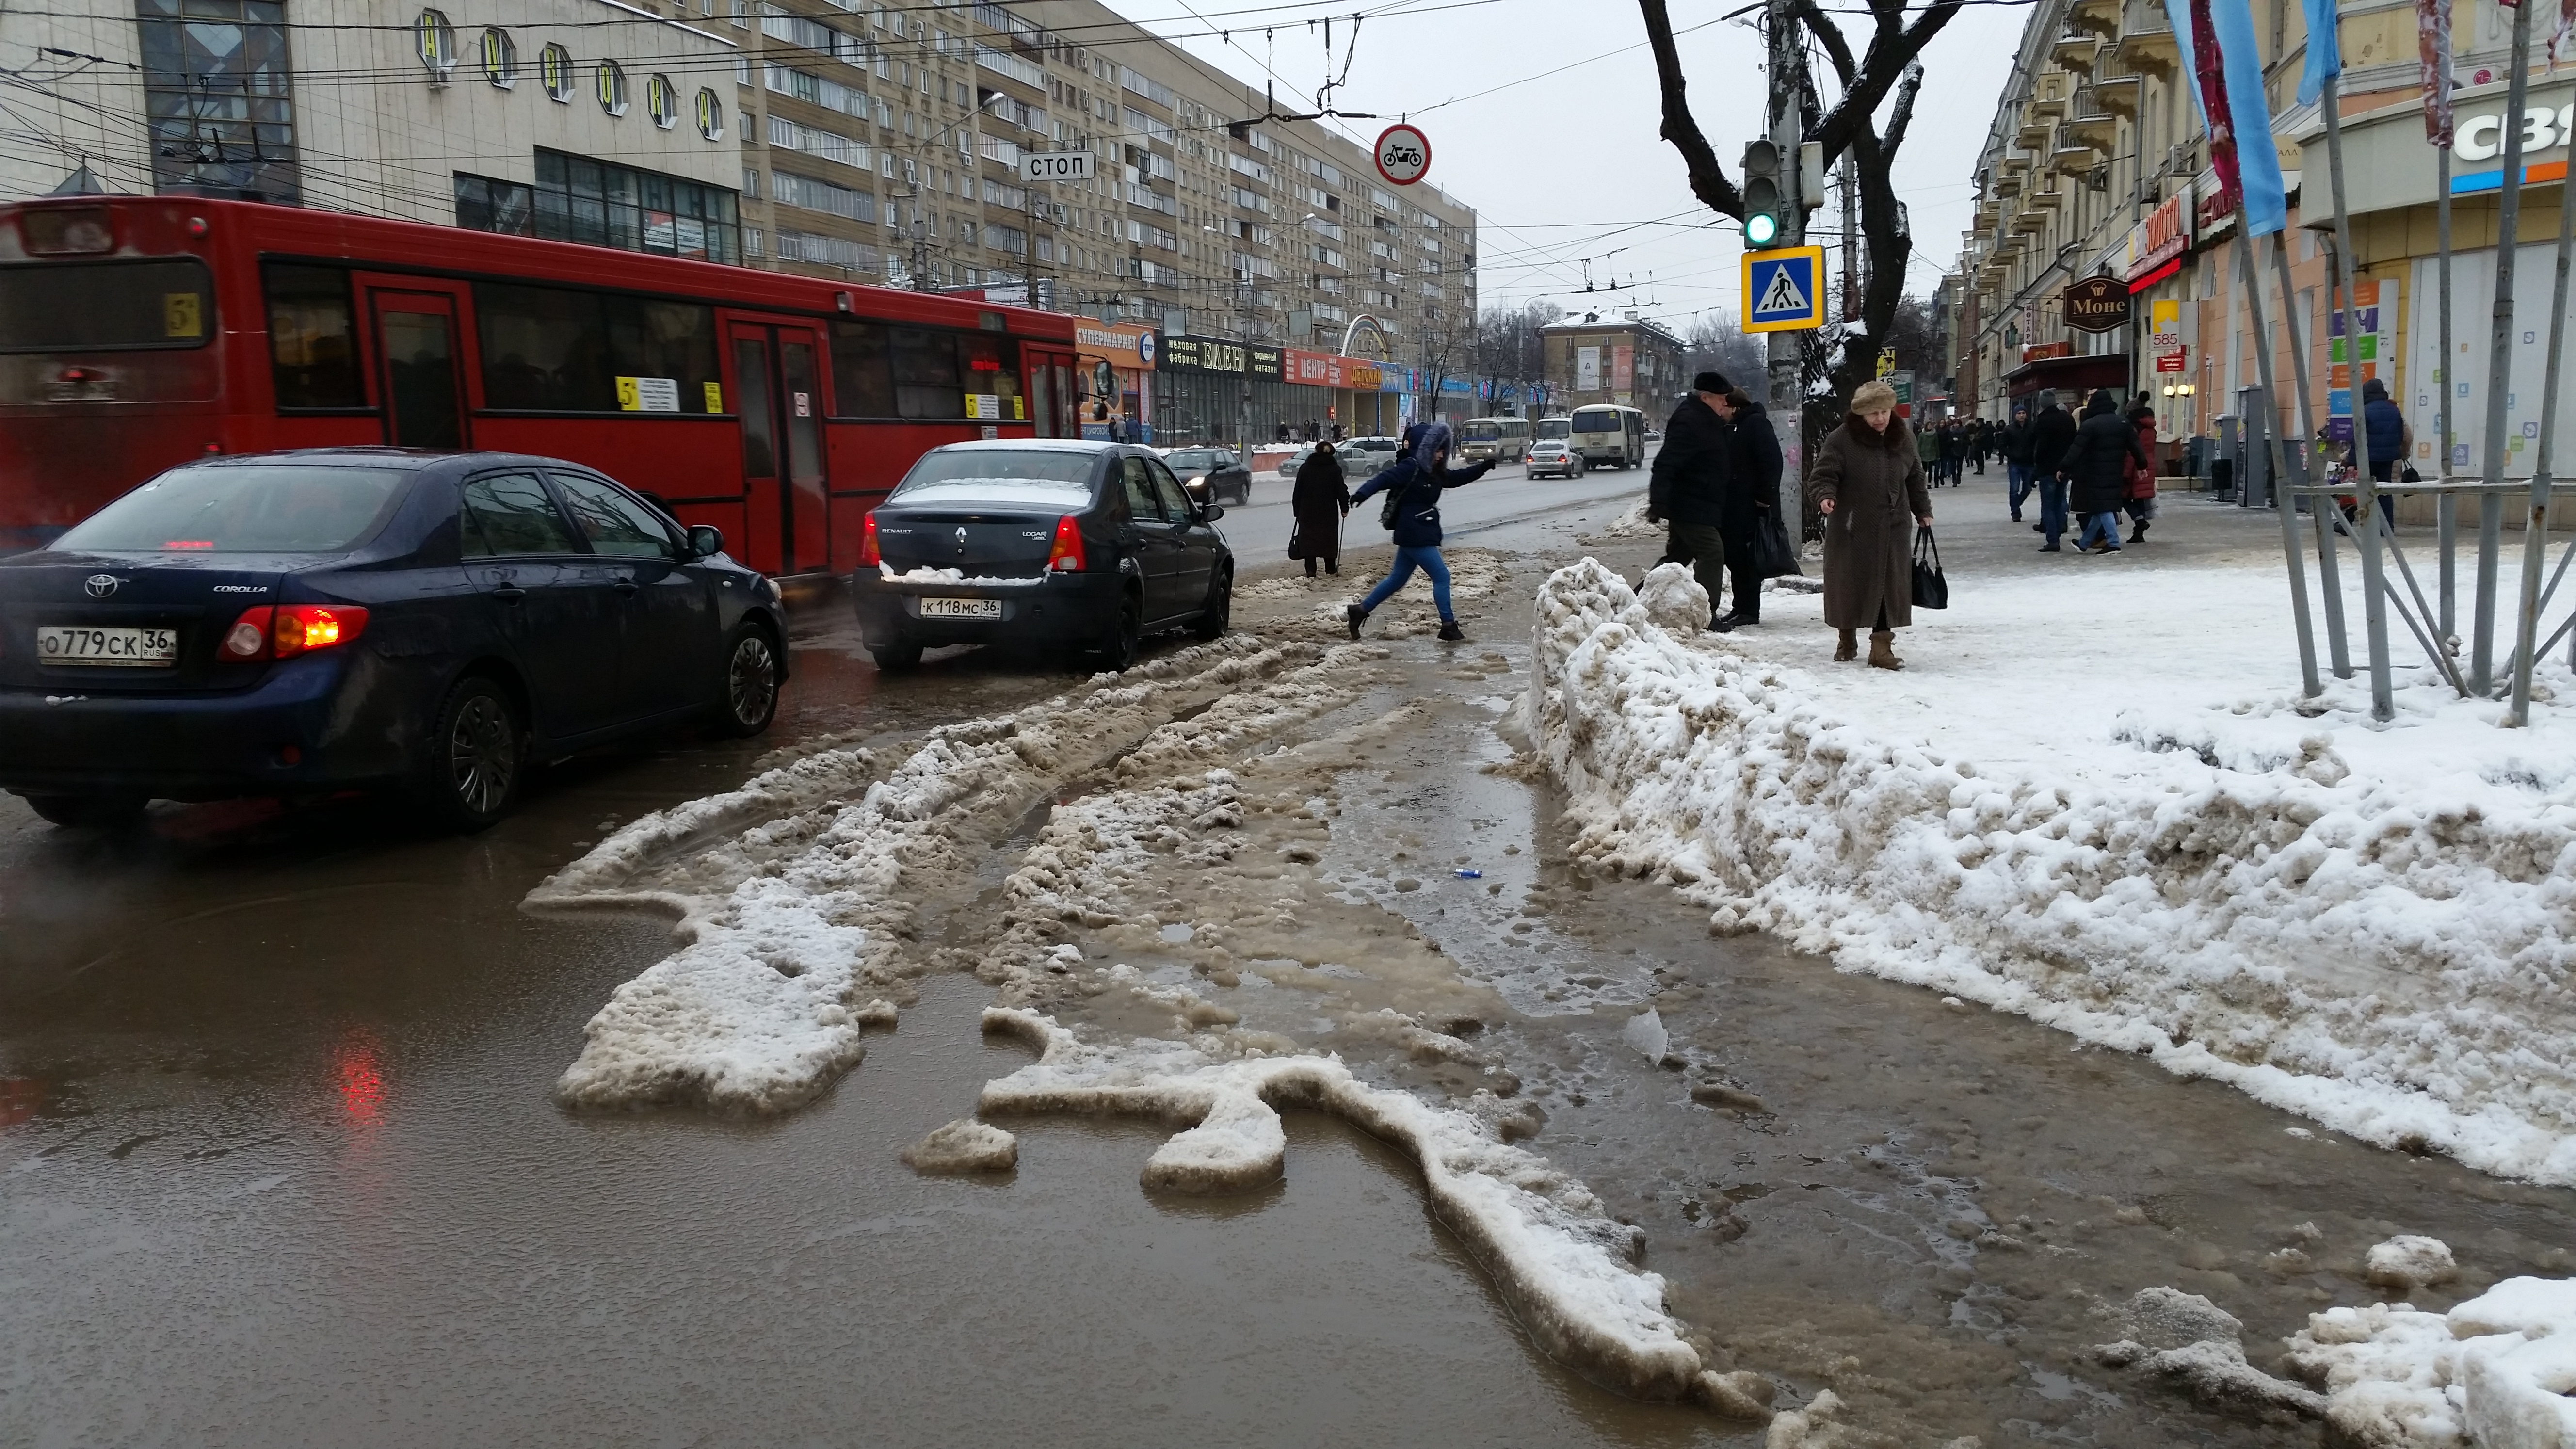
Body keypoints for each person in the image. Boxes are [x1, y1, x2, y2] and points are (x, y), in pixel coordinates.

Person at [1809, 379, 1934, 670]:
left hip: (1894, 525)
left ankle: (1881, 648)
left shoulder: (1903, 438)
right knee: (1849, 584)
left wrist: (1923, 510)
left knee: (1888, 586)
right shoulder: (1841, 439)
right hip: (1853, 525)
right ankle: (1847, 636)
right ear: (1861, 414)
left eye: (1885, 412)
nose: (1880, 419)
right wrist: (1825, 497)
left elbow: (1915, 476)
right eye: (1873, 413)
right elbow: (1823, 475)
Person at [1346, 420, 1495, 641]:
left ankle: (1360, 610)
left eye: (1443, 451)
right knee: (1442, 576)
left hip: (1419, 530)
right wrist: (1361, 494)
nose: (1441, 455)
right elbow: (1384, 479)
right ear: (1426, 449)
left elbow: (1458, 478)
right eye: (1438, 450)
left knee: (1397, 579)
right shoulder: (1412, 467)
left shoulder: (1435, 472)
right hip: (1414, 531)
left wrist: (1482, 467)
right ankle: (1448, 625)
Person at [1645, 370, 1735, 628]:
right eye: (1721, 399)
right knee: (1712, 553)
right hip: (1691, 503)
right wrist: (1658, 502)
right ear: (1706, 398)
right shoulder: (1690, 421)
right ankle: (1707, 616)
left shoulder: (1704, 418)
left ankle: (1638, 599)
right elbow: (1665, 463)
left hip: (1700, 501)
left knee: (1676, 559)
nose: (1724, 404)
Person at [1717, 384, 1784, 632]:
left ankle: (1749, 610)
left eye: (1723, 407)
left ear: (1734, 407)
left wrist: (1764, 498)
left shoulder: (1755, 424)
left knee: (1747, 559)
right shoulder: (1735, 426)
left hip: (1752, 506)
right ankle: (1740, 606)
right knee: (1736, 557)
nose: (1720, 411)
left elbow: (1772, 463)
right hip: (1736, 505)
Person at [2061, 389, 2151, 554]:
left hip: (2094, 472)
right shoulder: (2123, 424)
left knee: (2103, 508)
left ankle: (2113, 543)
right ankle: (2085, 542)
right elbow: (2136, 447)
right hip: (2116, 471)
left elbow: (2076, 450)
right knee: (2100, 508)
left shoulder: (2090, 425)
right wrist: (2142, 466)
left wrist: (2063, 468)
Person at [1290, 434, 1351, 577]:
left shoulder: (1306, 468)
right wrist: (1344, 507)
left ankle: (1311, 570)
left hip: (1307, 511)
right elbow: (1341, 490)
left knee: (1308, 540)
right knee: (1328, 539)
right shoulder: (1334, 469)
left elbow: (1297, 490)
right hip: (1328, 512)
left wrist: (1297, 510)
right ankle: (1330, 568)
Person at [2026, 390, 2079, 551]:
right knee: (2060, 501)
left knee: (2048, 505)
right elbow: (2073, 443)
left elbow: (2041, 448)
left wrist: (2036, 471)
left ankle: (2053, 540)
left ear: (2042, 404)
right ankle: (2060, 525)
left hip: (2048, 469)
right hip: (2064, 468)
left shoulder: (2043, 421)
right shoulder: (2067, 419)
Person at [2357, 376, 2411, 530]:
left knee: (2366, 491)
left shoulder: (2364, 411)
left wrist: (2352, 459)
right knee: (2385, 491)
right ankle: (2387, 527)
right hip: (2388, 458)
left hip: (2368, 458)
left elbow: (2358, 438)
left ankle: (2368, 526)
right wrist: (2399, 452)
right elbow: (2401, 434)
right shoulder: (2394, 410)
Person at [2123, 401, 2160, 542]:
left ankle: (2139, 521)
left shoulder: (2134, 427)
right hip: (2147, 466)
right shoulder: (2151, 427)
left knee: (2123, 497)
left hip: (2134, 466)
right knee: (2139, 498)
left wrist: (2126, 472)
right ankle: (2139, 534)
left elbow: (2132, 451)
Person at [2002, 405, 2034, 521]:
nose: (2021, 415)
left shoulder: (2032, 427)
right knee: (2014, 489)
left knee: (2028, 487)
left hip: (2029, 463)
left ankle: (2017, 504)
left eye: (2023, 413)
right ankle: (2015, 512)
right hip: (2015, 463)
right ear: (2015, 415)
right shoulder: (2009, 429)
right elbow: (2001, 445)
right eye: (2019, 413)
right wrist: (2010, 455)